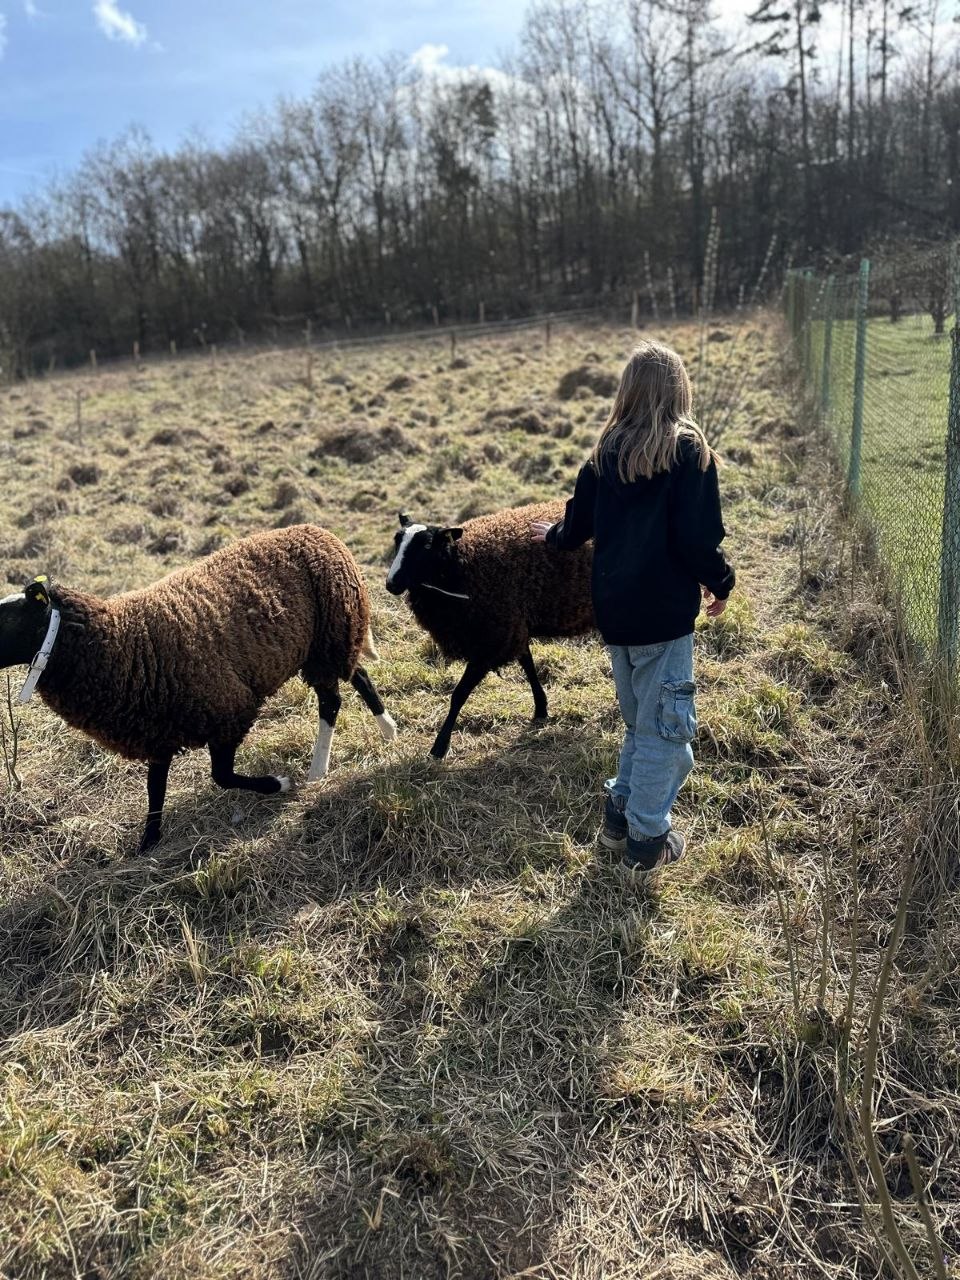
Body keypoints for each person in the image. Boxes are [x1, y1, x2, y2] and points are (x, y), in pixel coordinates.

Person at [531, 340, 734, 880]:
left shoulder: (603, 454)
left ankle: (620, 813)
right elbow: (697, 539)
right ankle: (646, 842)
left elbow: (576, 529)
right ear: (679, 390)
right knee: (667, 736)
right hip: (663, 619)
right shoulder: (688, 452)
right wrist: (721, 581)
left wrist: (551, 534)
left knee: (643, 725)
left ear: (626, 392)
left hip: (616, 619)